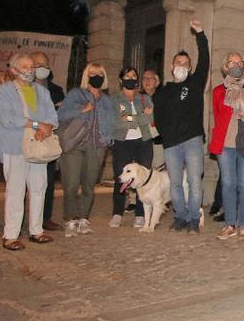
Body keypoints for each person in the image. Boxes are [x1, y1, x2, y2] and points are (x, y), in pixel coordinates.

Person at [0, 53, 58, 251]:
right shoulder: (6, 90)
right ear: (13, 69)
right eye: (24, 66)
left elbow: (52, 117)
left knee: (39, 188)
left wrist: (46, 128)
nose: (29, 69)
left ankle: (36, 230)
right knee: (16, 190)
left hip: (39, 146)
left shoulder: (42, 91)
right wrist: (38, 124)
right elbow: (7, 118)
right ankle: (11, 235)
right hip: (15, 146)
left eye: (32, 66)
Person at [153, 19, 210, 233]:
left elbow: (205, 59)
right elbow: (158, 118)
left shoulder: (195, 84)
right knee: (175, 183)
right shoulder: (164, 92)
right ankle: (180, 216)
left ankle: (194, 217)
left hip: (193, 140)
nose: (182, 67)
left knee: (195, 180)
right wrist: (167, 136)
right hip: (171, 144)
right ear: (171, 66)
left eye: (186, 64)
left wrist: (200, 35)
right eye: (179, 63)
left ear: (190, 68)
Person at [57, 63, 114, 237]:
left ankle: (83, 219)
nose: (97, 76)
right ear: (86, 76)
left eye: (100, 73)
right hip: (75, 144)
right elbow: (60, 115)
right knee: (72, 184)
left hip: (96, 146)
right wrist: (82, 109)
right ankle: (70, 219)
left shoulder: (106, 100)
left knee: (89, 185)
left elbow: (111, 122)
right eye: (93, 73)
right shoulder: (76, 94)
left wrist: (108, 140)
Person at [210, 51, 244, 241]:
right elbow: (217, 116)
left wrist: (242, 92)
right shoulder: (218, 91)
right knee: (228, 184)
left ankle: (243, 223)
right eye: (231, 62)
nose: (236, 65)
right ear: (225, 67)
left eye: (239, 62)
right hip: (226, 143)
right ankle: (230, 223)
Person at [109, 66, 155, 229]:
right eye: (127, 76)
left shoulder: (143, 98)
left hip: (143, 141)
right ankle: (117, 213)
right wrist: (139, 117)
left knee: (143, 177)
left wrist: (129, 118)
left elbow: (150, 117)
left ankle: (141, 214)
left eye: (134, 76)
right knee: (120, 177)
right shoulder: (114, 100)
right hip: (122, 142)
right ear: (121, 80)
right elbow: (115, 122)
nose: (131, 78)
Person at [31, 51, 66, 231]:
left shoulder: (56, 90)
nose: (41, 69)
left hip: (49, 141)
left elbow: (60, 115)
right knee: (24, 185)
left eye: (45, 65)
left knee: (48, 181)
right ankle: (23, 219)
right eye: (37, 65)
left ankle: (45, 218)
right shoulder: (24, 88)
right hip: (29, 139)